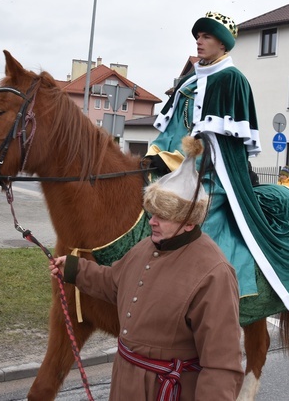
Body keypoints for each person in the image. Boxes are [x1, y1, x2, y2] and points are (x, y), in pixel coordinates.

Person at [143, 11, 289, 314]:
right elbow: (175, 127)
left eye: (206, 37)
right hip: (183, 164)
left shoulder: (232, 79)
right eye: (197, 37)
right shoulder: (191, 79)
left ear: (222, 44)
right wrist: (160, 155)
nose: (199, 43)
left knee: (201, 216)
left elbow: (231, 141)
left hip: (217, 172)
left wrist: (202, 151)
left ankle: (215, 291)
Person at [50, 137, 244, 400]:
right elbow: (113, 282)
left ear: (188, 221)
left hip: (166, 392)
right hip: (125, 384)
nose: (151, 222)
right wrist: (73, 269)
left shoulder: (214, 272)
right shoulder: (147, 247)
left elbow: (222, 366)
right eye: (152, 213)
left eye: (161, 216)